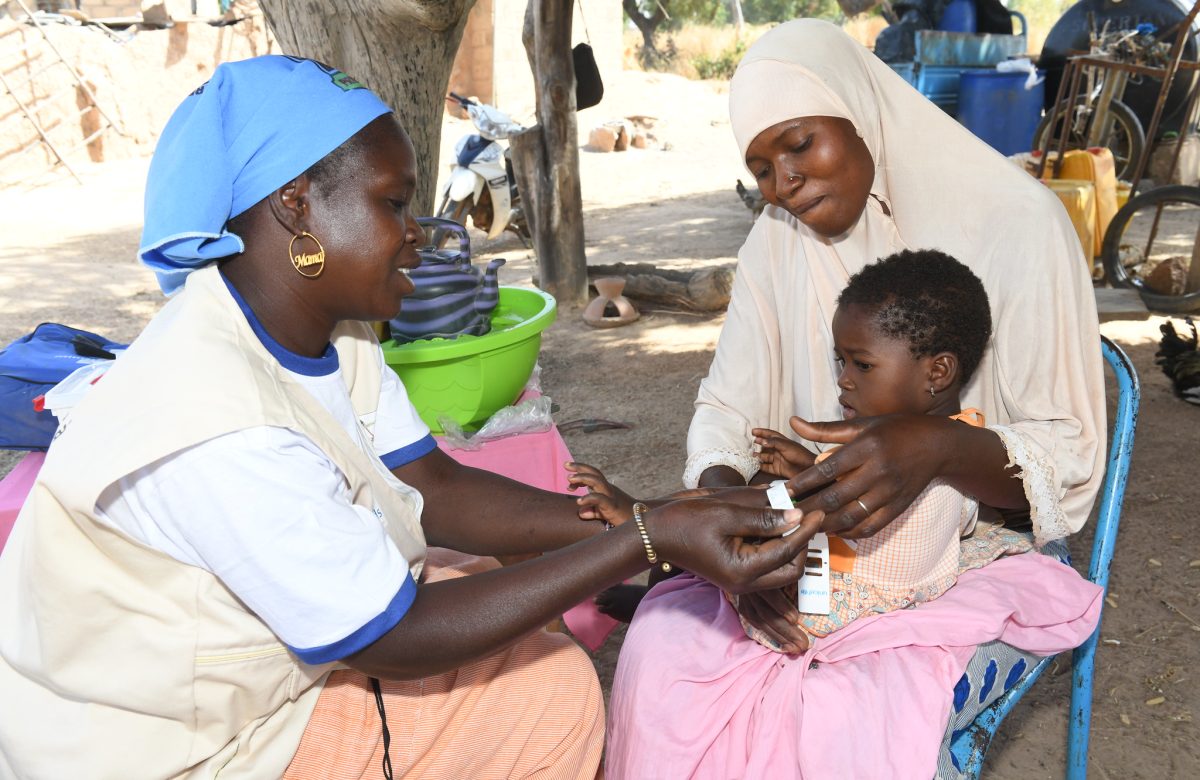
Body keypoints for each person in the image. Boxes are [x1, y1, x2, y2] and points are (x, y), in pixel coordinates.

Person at [0, 56, 822, 780]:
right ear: (297, 209)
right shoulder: (219, 425)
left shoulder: (328, 329)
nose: (420, 238)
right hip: (163, 753)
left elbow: (431, 484)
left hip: (227, 690)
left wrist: (660, 516)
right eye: (395, 204)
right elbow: (394, 635)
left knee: (502, 608)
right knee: (548, 695)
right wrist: (648, 541)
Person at [604, 20, 1106, 780]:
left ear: (858, 106)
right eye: (761, 167)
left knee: (850, 719)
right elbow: (729, 409)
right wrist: (735, 537)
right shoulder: (780, 236)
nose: (784, 183)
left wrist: (936, 446)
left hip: (955, 550)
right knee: (665, 647)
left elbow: (1064, 461)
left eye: (799, 143)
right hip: (803, 537)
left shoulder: (1016, 225)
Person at [742, 248, 1036, 649]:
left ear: (938, 372)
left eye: (861, 365)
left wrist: (781, 489)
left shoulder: (907, 459)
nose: (843, 380)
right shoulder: (968, 437)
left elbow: (811, 521)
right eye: (839, 361)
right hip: (891, 586)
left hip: (843, 603)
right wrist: (812, 465)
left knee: (723, 554)